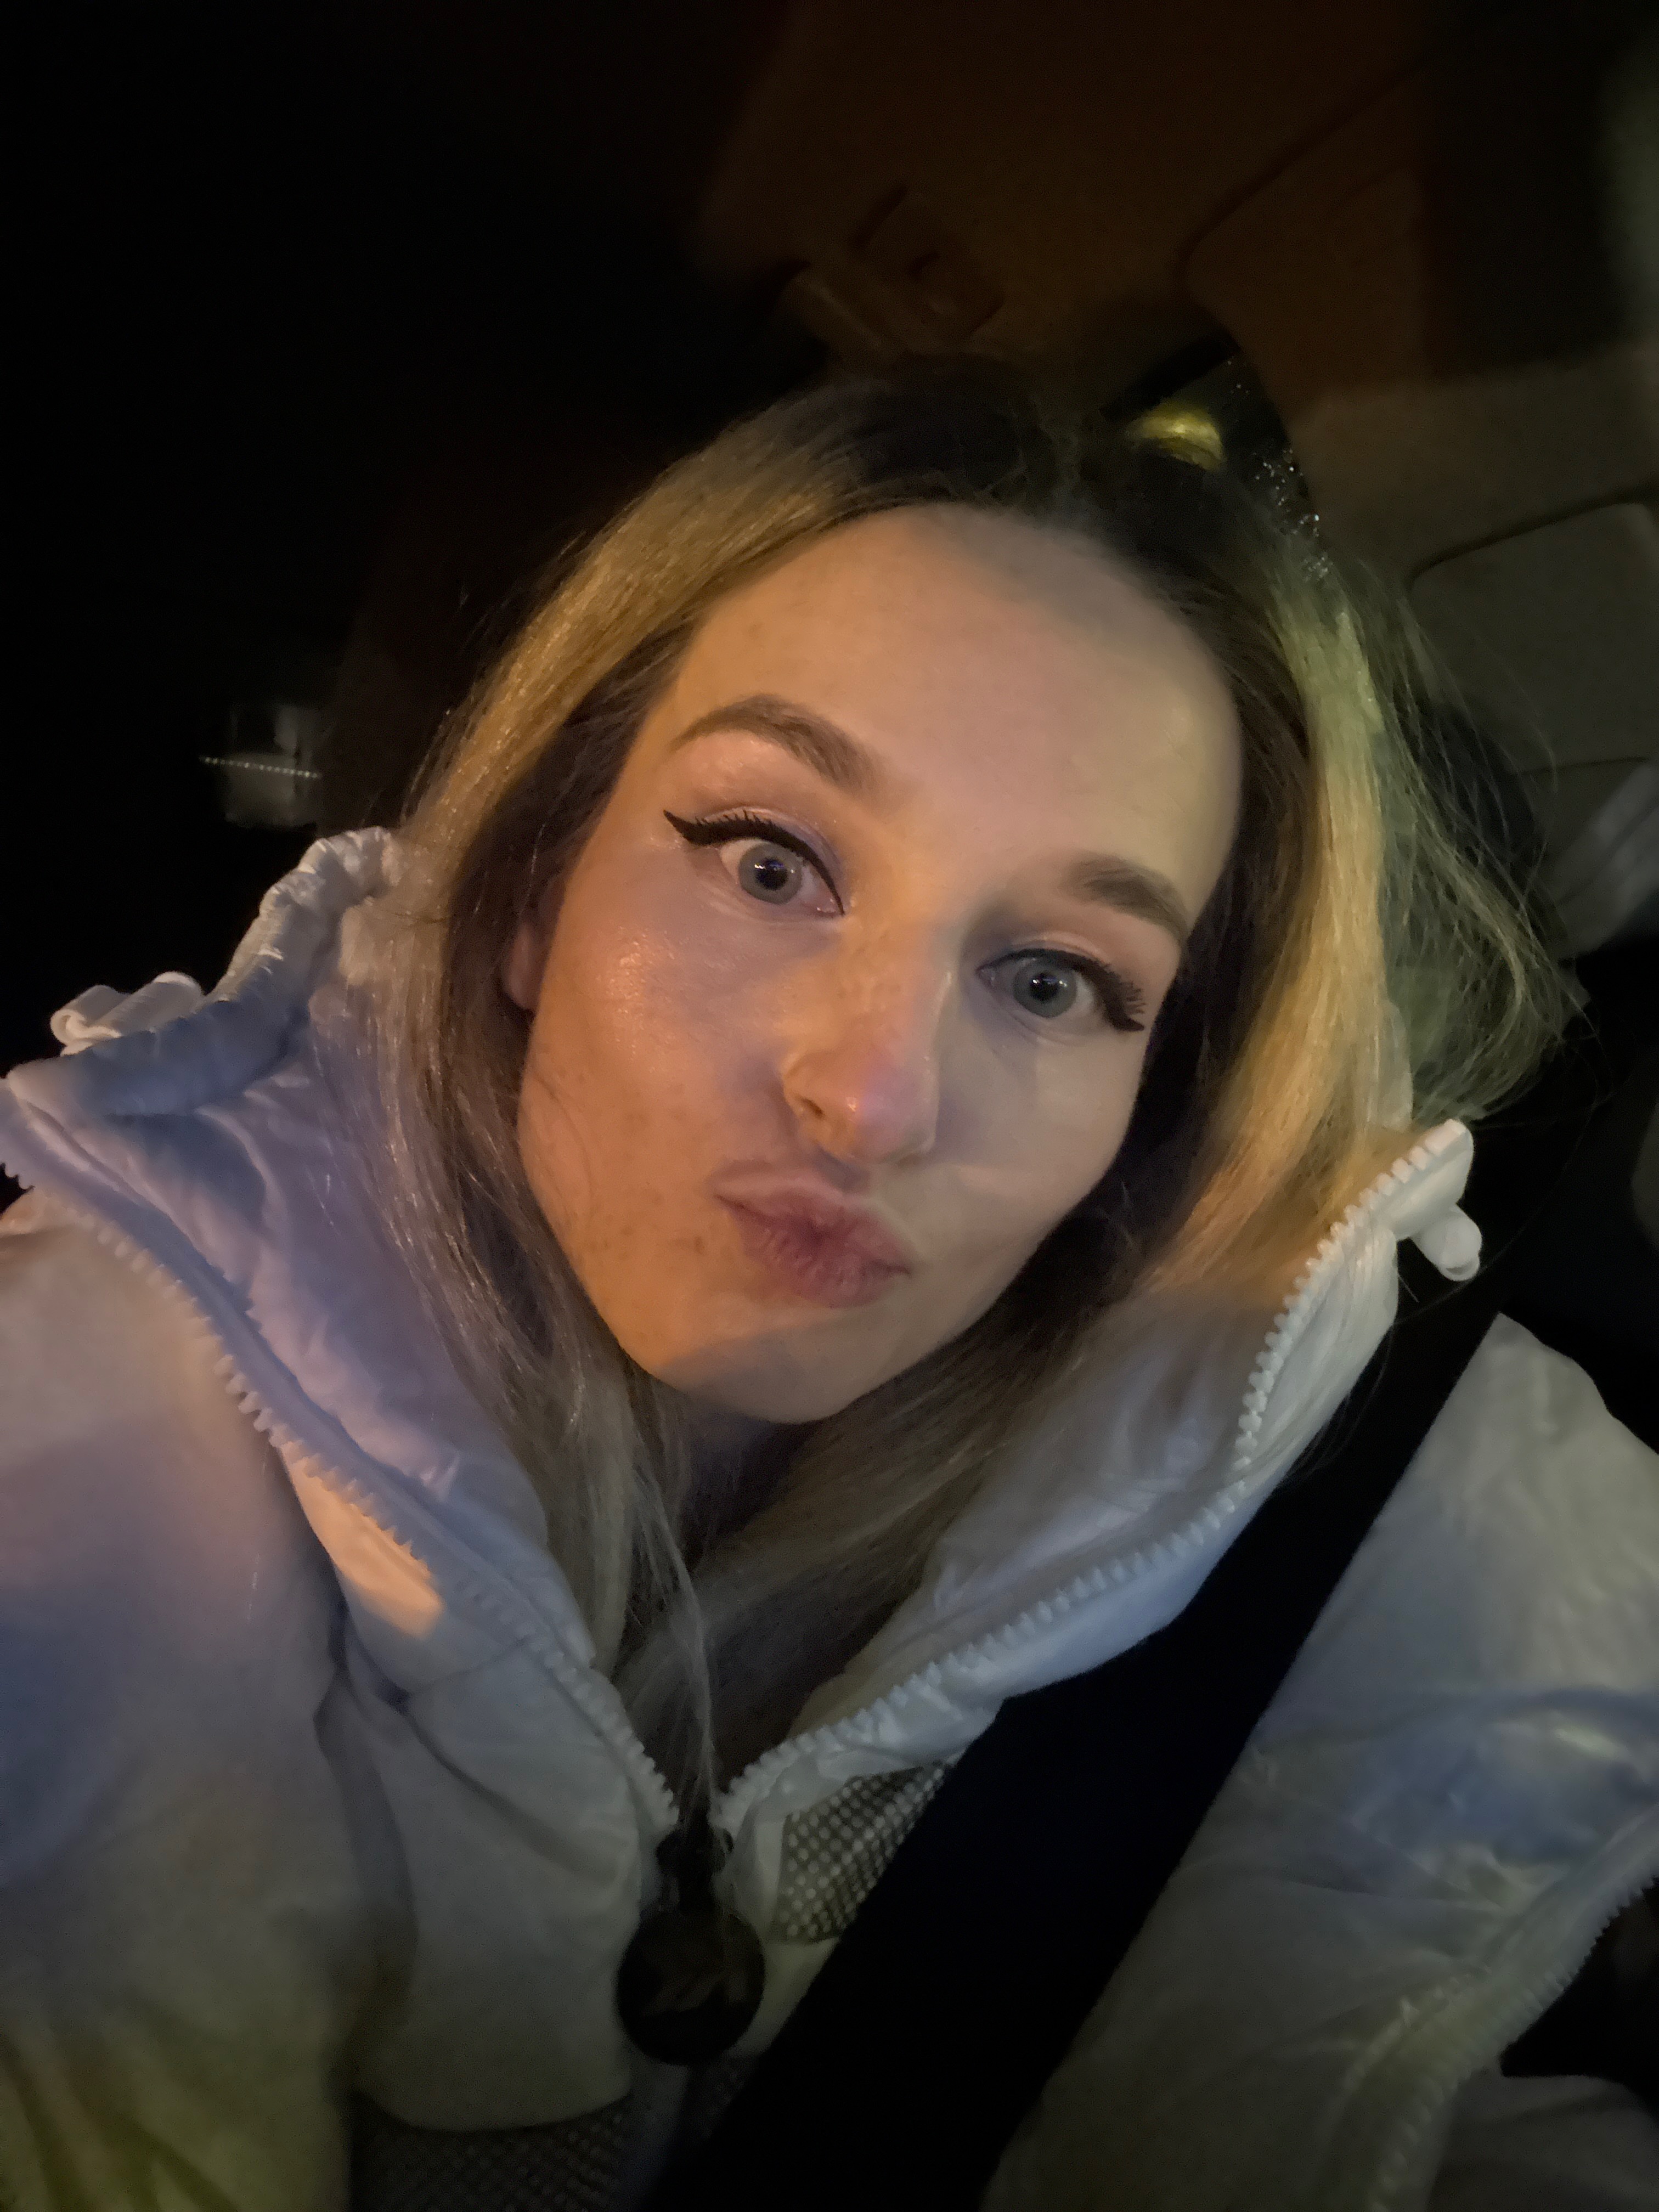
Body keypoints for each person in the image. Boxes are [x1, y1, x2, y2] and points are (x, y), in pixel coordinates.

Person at [1, 362, 1654, 2212]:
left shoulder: (1353, 1600)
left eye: (1052, 980)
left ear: (1155, 1094)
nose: (872, 1099)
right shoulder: (73, 1457)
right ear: (535, 892)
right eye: (770, 863)